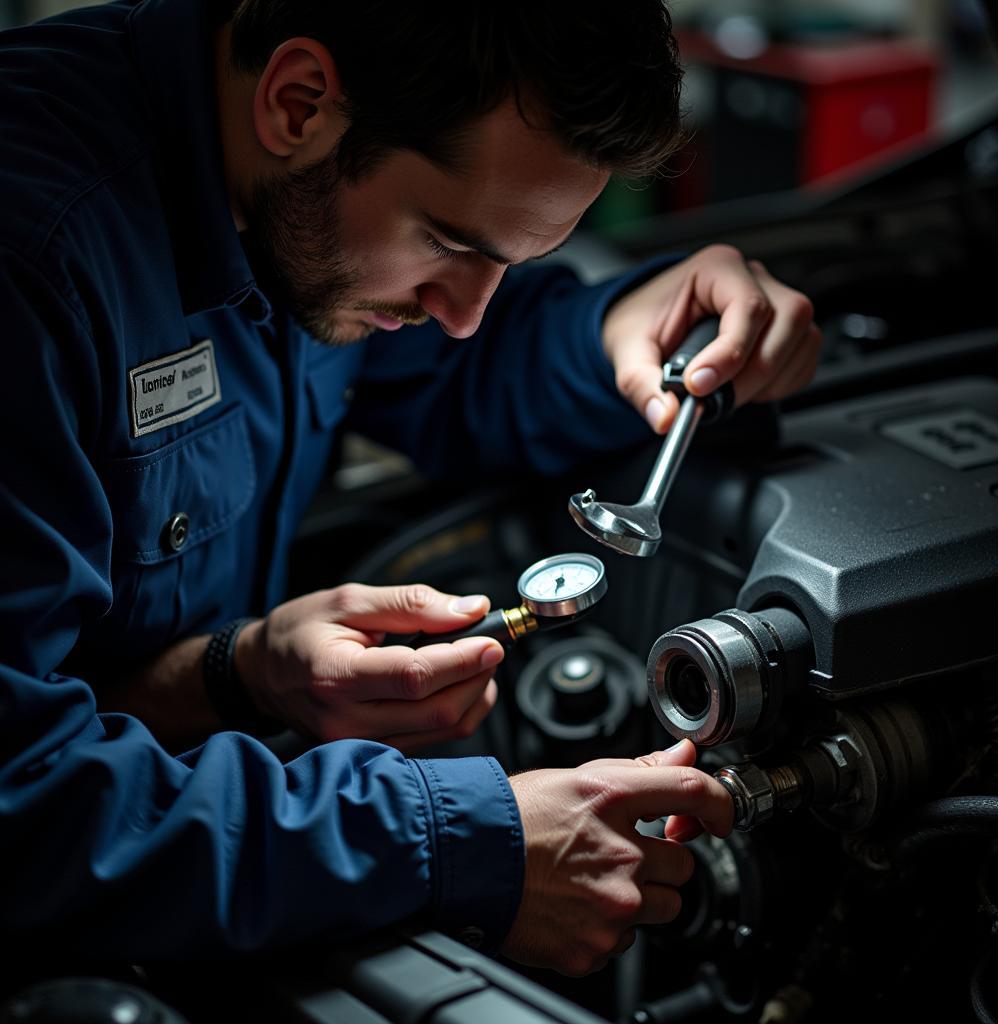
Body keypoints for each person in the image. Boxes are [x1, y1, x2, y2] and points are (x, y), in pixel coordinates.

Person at [0, 0, 820, 979]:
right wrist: (458, 840)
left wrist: (614, 337)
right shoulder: (34, 258)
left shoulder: (292, 198)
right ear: (297, 102)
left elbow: (449, 371)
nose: (466, 314)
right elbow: (20, 801)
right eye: (450, 242)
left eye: (511, 263)